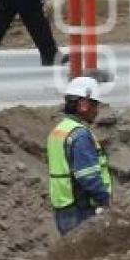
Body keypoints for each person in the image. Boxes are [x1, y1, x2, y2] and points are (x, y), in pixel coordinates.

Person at [47, 76, 112, 235]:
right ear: (83, 105)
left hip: (63, 206)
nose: (96, 111)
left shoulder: (59, 130)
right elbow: (88, 176)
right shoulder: (80, 135)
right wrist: (105, 199)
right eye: (95, 105)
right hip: (80, 209)